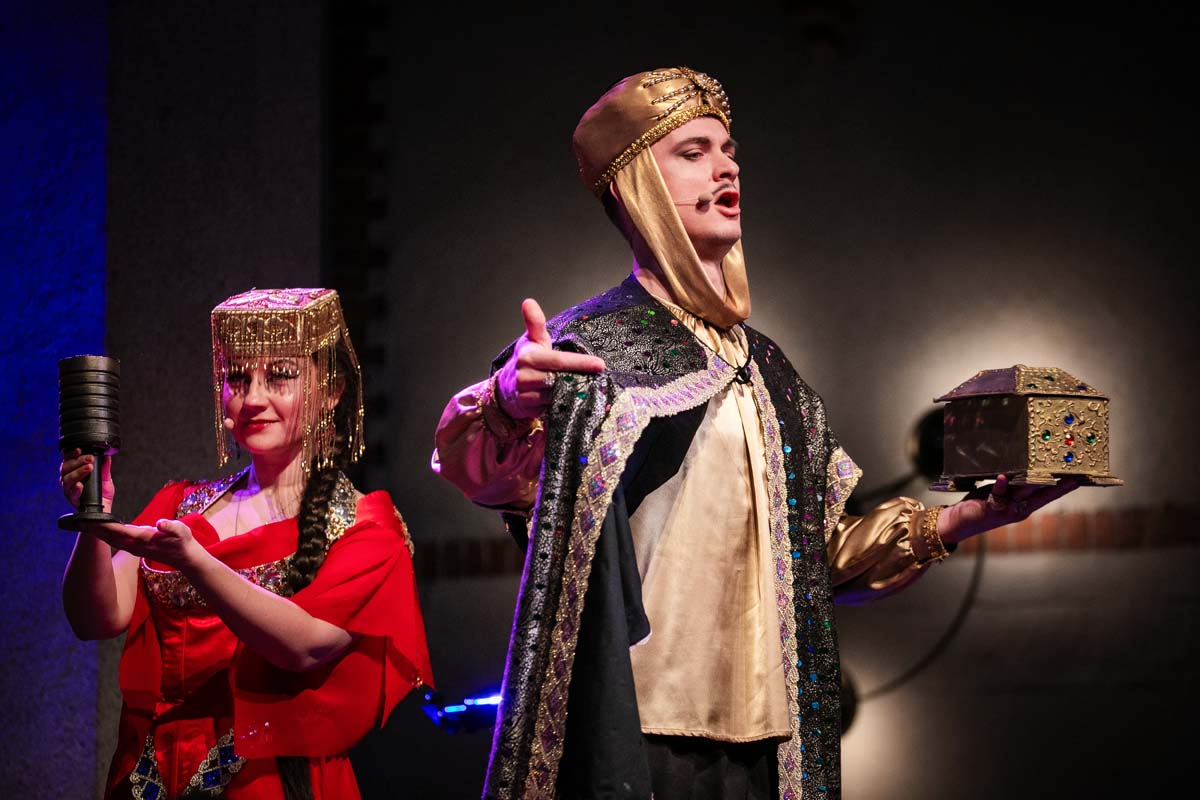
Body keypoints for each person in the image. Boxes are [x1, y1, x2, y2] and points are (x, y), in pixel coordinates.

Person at [431, 67, 1077, 800]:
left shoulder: (772, 374)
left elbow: (819, 557)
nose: (726, 167)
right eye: (693, 152)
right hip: (636, 732)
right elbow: (484, 471)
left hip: (767, 745)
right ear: (639, 185)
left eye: (729, 151)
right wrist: (508, 402)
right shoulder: (587, 350)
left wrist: (970, 517)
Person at [62, 288, 432, 800]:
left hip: (269, 781)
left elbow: (304, 646)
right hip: (149, 775)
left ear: (331, 391)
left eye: (279, 376)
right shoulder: (180, 504)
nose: (253, 398)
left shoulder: (365, 527)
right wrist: (93, 517)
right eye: (237, 378)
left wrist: (194, 561)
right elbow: (94, 619)